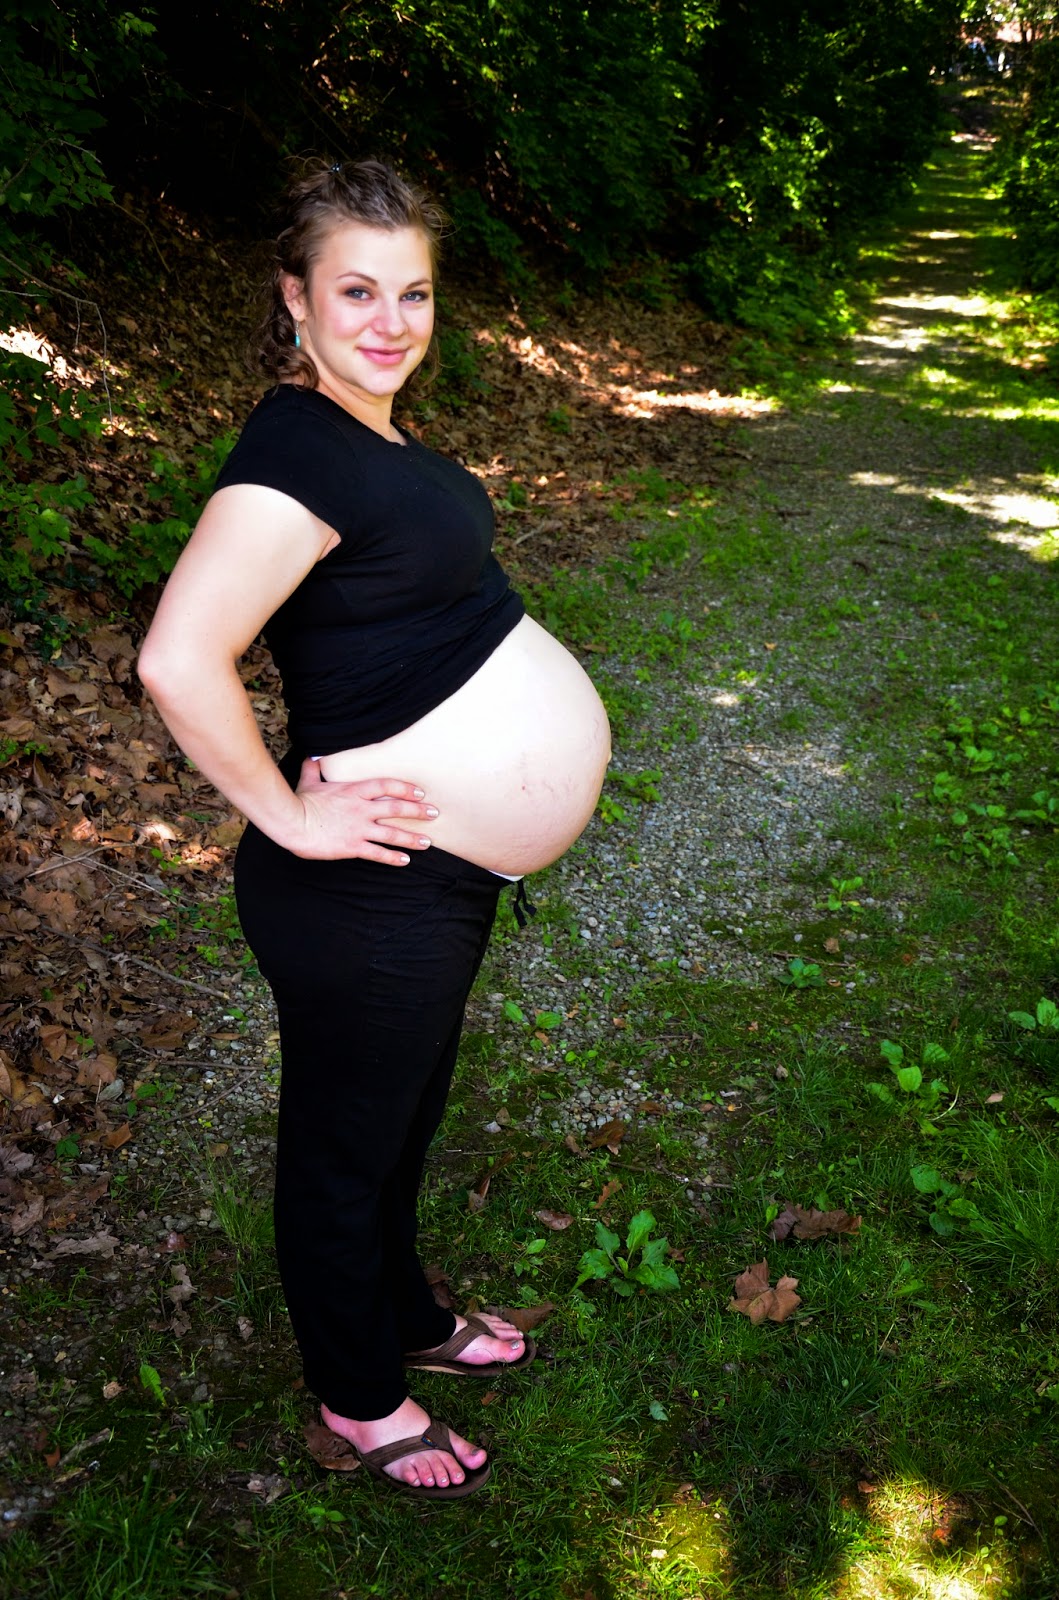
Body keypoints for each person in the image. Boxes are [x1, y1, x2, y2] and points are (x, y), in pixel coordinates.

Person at [138, 159, 611, 1500]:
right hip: (363, 889)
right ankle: (358, 1398)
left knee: (398, 1126)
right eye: (357, 291)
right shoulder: (294, 452)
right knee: (346, 1152)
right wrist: (288, 816)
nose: (391, 322)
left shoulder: (374, 438)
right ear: (295, 298)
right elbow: (179, 657)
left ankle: (403, 1314)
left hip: (426, 877)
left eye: (414, 293)